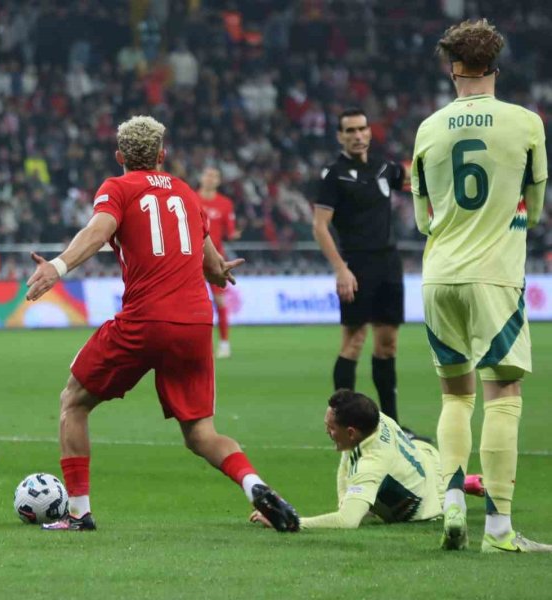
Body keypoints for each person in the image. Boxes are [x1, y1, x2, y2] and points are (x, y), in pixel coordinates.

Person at [25, 115, 298, 532]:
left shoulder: (117, 188)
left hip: (145, 319)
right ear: (162, 155)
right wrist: (221, 272)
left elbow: (99, 231)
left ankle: (79, 513)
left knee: (74, 402)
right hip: (194, 323)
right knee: (202, 433)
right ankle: (253, 484)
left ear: (119, 156)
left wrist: (58, 267)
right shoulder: (188, 195)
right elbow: (211, 264)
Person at [411, 19, 551, 553]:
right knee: (504, 394)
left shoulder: (427, 129)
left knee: (455, 393)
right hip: (494, 276)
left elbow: (424, 220)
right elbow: (534, 211)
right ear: (495, 66)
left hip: (437, 275)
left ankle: (450, 500)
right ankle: (498, 529)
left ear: (453, 69)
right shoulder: (526, 123)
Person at [251, 391, 484, 530]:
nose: (326, 432)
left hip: (432, 501)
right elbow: (347, 456)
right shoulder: (372, 417)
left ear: (351, 432)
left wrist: (292, 523)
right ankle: (463, 481)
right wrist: (345, 498)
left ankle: (461, 484)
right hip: (425, 458)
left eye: (330, 428)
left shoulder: (371, 465)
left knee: (367, 503)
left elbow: (347, 521)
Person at [312, 108, 409, 426]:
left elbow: (416, 181)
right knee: (353, 341)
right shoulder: (334, 174)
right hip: (356, 264)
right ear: (340, 136)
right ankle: (343, 422)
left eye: (361, 129)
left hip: (389, 263)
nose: (357, 135)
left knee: (387, 343)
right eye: (349, 131)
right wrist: (341, 268)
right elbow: (320, 226)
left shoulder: (384, 168)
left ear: (370, 132)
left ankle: (392, 424)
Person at [197, 166, 238, 358]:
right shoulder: (191, 198)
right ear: (201, 177)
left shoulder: (225, 204)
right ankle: (194, 344)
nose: (211, 178)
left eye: (215, 176)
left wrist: (234, 234)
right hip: (192, 258)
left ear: (219, 181)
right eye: (208, 174)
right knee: (191, 302)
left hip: (216, 259)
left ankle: (224, 343)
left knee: (220, 301)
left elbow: (230, 232)